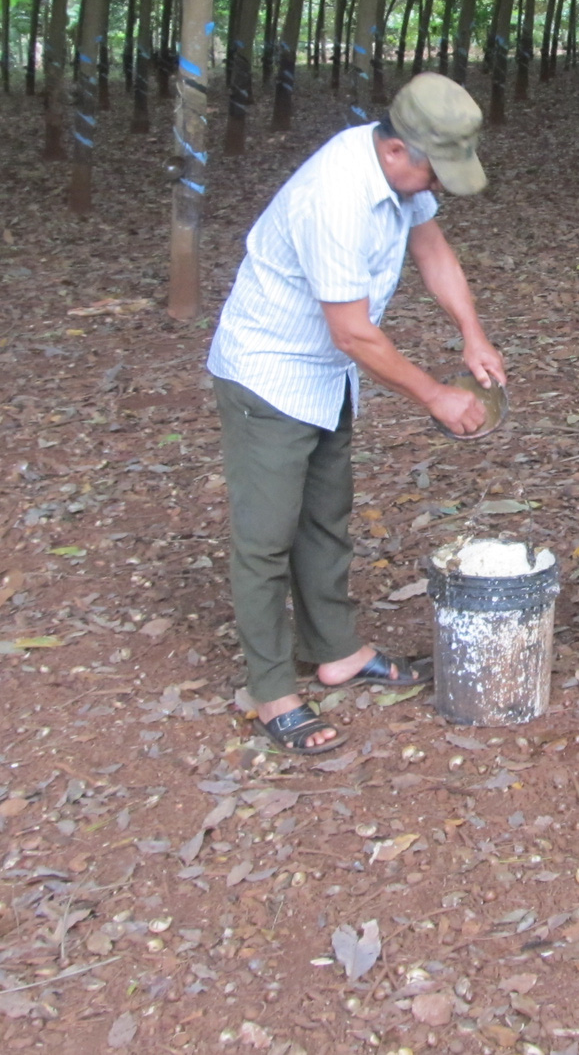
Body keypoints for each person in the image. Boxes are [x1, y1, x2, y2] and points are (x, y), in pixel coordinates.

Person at [207, 73, 506, 754]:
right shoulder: (335, 198)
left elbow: (431, 249)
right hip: (270, 374)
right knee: (266, 536)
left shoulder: (398, 178)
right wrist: (435, 394)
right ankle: (270, 688)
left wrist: (472, 332)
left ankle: (335, 649)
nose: (437, 187)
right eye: (435, 170)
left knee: (324, 515)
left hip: (327, 377)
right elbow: (354, 333)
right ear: (397, 150)